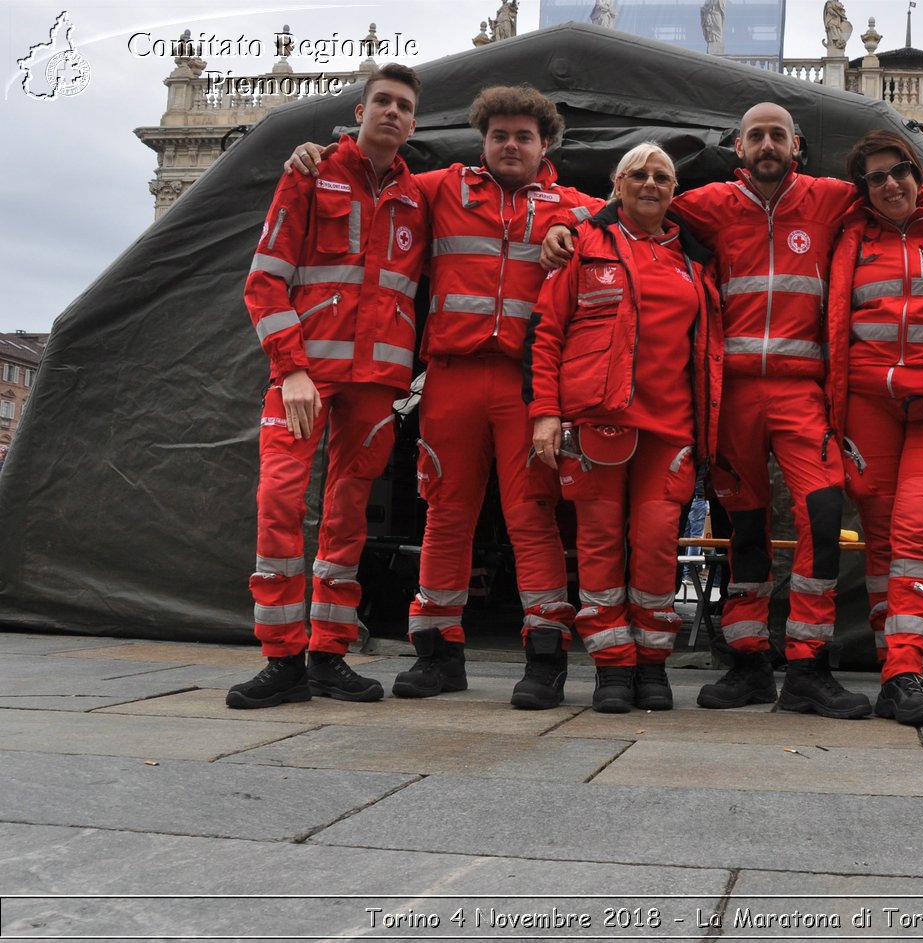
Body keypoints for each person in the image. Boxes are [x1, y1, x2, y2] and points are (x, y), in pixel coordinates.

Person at [541, 103, 923, 719]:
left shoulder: (832, 197)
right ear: (739, 148)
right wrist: (571, 223)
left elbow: (907, 194)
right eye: (755, 135)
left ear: (797, 145)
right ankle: (749, 660)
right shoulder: (709, 203)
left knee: (823, 510)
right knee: (745, 527)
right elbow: (635, 205)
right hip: (730, 397)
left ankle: (809, 665)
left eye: (777, 135)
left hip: (800, 390)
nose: (766, 144)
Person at [285, 87, 605, 708]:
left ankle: (545, 658)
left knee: (531, 516)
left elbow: (631, 208)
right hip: (452, 377)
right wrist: (320, 154)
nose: (510, 145)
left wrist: (572, 224)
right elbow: (376, 175)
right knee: (446, 514)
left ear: (546, 146)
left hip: (525, 383)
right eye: (499, 135)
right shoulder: (441, 189)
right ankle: (437, 653)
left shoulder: (575, 206)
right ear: (483, 142)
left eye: (523, 136)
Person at [229, 64, 428, 709]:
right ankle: (281, 659)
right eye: (382, 102)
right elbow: (264, 283)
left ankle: (327, 655)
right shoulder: (309, 174)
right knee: (279, 501)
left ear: (414, 122)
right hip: (304, 378)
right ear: (361, 110)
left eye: (403, 105)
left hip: (375, 384)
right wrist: (291, 370)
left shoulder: (420, 196)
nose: (392, 112)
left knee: (348, 518)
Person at [527, 143, 723, 713]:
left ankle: (652, 661)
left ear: (673, 190)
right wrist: (545, 413)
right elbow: (547, 334)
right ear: (617, 185)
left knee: (659, 544)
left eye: (662, 176)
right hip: (597, 422)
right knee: (600, 543)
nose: (650, 183)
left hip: (670, 427)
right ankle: (613, 665)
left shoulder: (693, 258)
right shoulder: (582, 245)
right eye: (637, 174)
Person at [824, 131, 923, 726]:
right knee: (881, 539)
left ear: (919, 175)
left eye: (900, 172)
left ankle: (906, 670)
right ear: (862, 189)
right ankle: (895, 670)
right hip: (869, 406)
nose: (891, 184)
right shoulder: (848, 236)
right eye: (876, 177)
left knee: (915, 535)